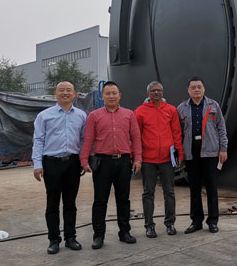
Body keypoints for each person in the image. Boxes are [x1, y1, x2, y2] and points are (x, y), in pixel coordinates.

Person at [80, 81, 142, 249]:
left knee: (123, 199)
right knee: (100, 200)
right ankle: (98, 235)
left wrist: (138, 159)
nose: (111, 96)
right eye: (107, 93)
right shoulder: (94, 116)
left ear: (119, 95)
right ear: (102, 96)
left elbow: (136, 138)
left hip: (124, 162)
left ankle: (125, 232)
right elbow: (88, 139)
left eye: (114, 93)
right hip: (103, 163)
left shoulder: (129, 114)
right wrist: (84, 161)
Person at [32, 81, 87, 255]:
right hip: (51, 163)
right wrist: (37, 164)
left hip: (72, 163)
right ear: (55, 94)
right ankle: (54, 239)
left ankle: (70, 237)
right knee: (52, 203)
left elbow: (84, 140)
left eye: (69, 90)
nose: (65, 93)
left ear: (74, 94)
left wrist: (83, 160)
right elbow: (38, 140)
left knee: (70, 203)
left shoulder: (81, 115)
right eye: (61, 90)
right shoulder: (44, 116)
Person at [177, 76, 228, 234]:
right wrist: (180, 153)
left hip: (210, 153)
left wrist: (223, 148)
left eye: (199, 87)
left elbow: (221, 128)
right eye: (193, 87)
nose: (196, 90)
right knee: (194, 189)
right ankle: (196, 221)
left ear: (204, 89)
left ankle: (212, 221)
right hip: (192, 154)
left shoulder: (213, 106)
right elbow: (178, 132)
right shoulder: (182, 108)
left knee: (212, 188)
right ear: (188, 90)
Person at [135, 81, 184, 238]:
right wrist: (137, 157)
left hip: (166, 159)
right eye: (153, 91)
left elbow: (176, 133)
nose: (156, 93)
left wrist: (180, 154)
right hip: (148, 160)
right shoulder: (140, 112)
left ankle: (170, 223)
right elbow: (136, 136)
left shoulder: (171, 110)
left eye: (159, 90)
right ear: (148, 94)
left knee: (169, 192)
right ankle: (149, 226)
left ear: (163, 93)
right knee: (148, 193)